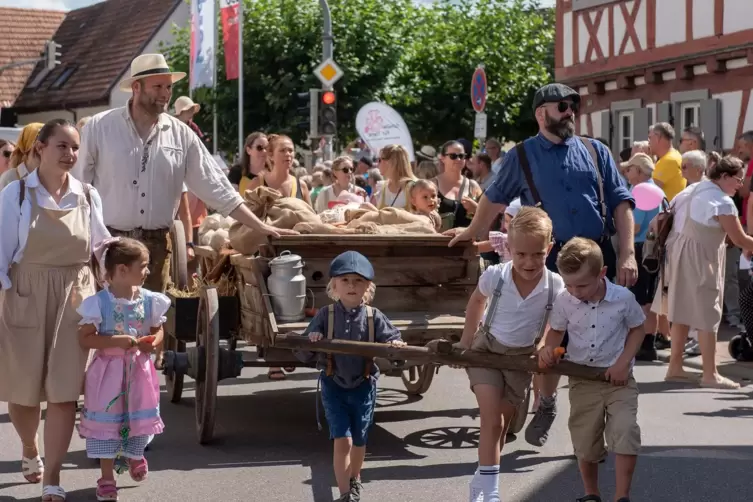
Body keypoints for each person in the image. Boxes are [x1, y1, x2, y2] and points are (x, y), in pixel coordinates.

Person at [447, 83, 637, 449]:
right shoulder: (521, 156)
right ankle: (546, 401)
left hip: (597, 254)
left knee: (602, 332)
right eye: (562, 106)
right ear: (541, 113)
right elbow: (494, 197)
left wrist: (627, 252)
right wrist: (472, 231)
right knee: (552, 334)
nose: (570, 112)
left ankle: (600, 410)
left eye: (573, 107)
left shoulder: (595, 151)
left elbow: (621, 203)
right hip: (549, 254)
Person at [73, 53, 293, 296]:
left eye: (168, 87)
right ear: (136, 87)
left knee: (152, 322)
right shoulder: (99, 127)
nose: (165, 93)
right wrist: (81, 244)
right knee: (107, 322)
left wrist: (261, 226)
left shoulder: (181, 135)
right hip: (111, 246)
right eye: (157, 86)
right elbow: (79, 189)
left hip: (156, 249)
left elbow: (216, 186)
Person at [0, 119, 110, 501]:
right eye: (62, 146)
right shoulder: (14, 195)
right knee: (25, 391)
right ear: (40, 149)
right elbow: (0, 255)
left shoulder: (88, 195)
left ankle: (52, 477)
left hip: (76, 295)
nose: (70, 154)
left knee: (64, 391)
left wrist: (123, 275)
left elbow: (101, 245)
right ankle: (30, 446)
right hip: (25, 291)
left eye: (75, 147)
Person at [459, 207, 565, 502]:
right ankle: (491, 493)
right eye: (521, 255)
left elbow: (556, 325)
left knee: (502, 426)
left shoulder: (554, 285)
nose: (528, 262)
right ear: (509, 247)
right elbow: (477, 300)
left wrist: (546, 345)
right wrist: (467, 340)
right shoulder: (497, 276)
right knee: (491, 420)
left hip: (520, 360)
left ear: (549, 248)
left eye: (537, 254)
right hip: (487, 351)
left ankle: (481, 481)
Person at [540, 237, 645, 502]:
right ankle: (591, 494)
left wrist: (622, 363)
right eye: (569, 284)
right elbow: (556, 332)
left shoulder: (623, 298)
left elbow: (638, 329)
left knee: (625, 430)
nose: (575, 291)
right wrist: (548, 349)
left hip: (618, 381)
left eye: (582, 284)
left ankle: (622, 496)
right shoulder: (565, 301)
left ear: (602, 273)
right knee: (585, 441)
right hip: (582, 380)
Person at [295, 251, 405, 502]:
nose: (352, 286)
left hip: (364, 385)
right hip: (334, 384)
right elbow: (303, 349)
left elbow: (392, 338)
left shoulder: (373, 316)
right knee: (341, 438)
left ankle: (355, 478)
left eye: (358, 281)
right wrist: (313, 340)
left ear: (368, 286)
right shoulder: (326, 315)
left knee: (359, 439)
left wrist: (396, 344)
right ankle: (345, 493)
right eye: (345, 280)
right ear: (334, 285)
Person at [77, 238, 167, 500]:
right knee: (107, 425)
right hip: (108, 374)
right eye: (143, 266)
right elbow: (85, 337)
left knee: (138, 417)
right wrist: (115, 341)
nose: (148, 271)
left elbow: (157, 329)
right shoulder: (100, 302)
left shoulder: (150, 300)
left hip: (139, 372)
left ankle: (134, 453)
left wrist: (153, 343)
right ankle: (106, 477)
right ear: (122, 270)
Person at [654, 156, 753, 389]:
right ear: (724, 177)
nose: (740, 185)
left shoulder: (690, 191)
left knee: (680, 310)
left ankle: (675, 367)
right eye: (738, 180)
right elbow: (739, 239)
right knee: (709, 312)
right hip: (700, 259)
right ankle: (710, 373)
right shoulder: (721, 201)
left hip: (675, 254)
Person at [620, 154, 662, 361]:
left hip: (640, 247)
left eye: (629, 169)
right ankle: (648, 343)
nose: (627, 173)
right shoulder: (656, 189)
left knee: (640, 299)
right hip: (653, 249)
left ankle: (643, 343)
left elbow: (634, 225)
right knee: (649, 298)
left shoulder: (641, 190)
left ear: (639, 170)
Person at [247, 134, 312, 208]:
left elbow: (311, 217)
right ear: (271, 155)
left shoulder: (301, 186)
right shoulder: (257, 184)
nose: (288, 154)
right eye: (282, 150)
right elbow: (245, 215)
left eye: (290, 150)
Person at [434, 140, 483, 231]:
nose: (458, 160)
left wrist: (476, 208)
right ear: (442, 158)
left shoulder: (473, 186)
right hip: (439, 242)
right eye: (453, 156)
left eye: (461, 156)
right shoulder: (432, 184)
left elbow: (487, 217)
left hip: (467, 242)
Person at [370, 144, 417, 210]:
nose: (377, 163)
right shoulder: (381, 187)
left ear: (390, 162)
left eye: (379, 160)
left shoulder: (414, 187)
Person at [0, 122, 43, 191]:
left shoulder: (54, 176)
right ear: (27, 144)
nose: (42, 147)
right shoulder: (10, 177)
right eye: (7, 154)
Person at [649, 122, 686, 201]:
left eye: (650, 138)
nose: (648, 142)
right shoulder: (673, 155)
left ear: (658, 138)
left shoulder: (669, 160)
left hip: (668, 212)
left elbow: (648, 191)